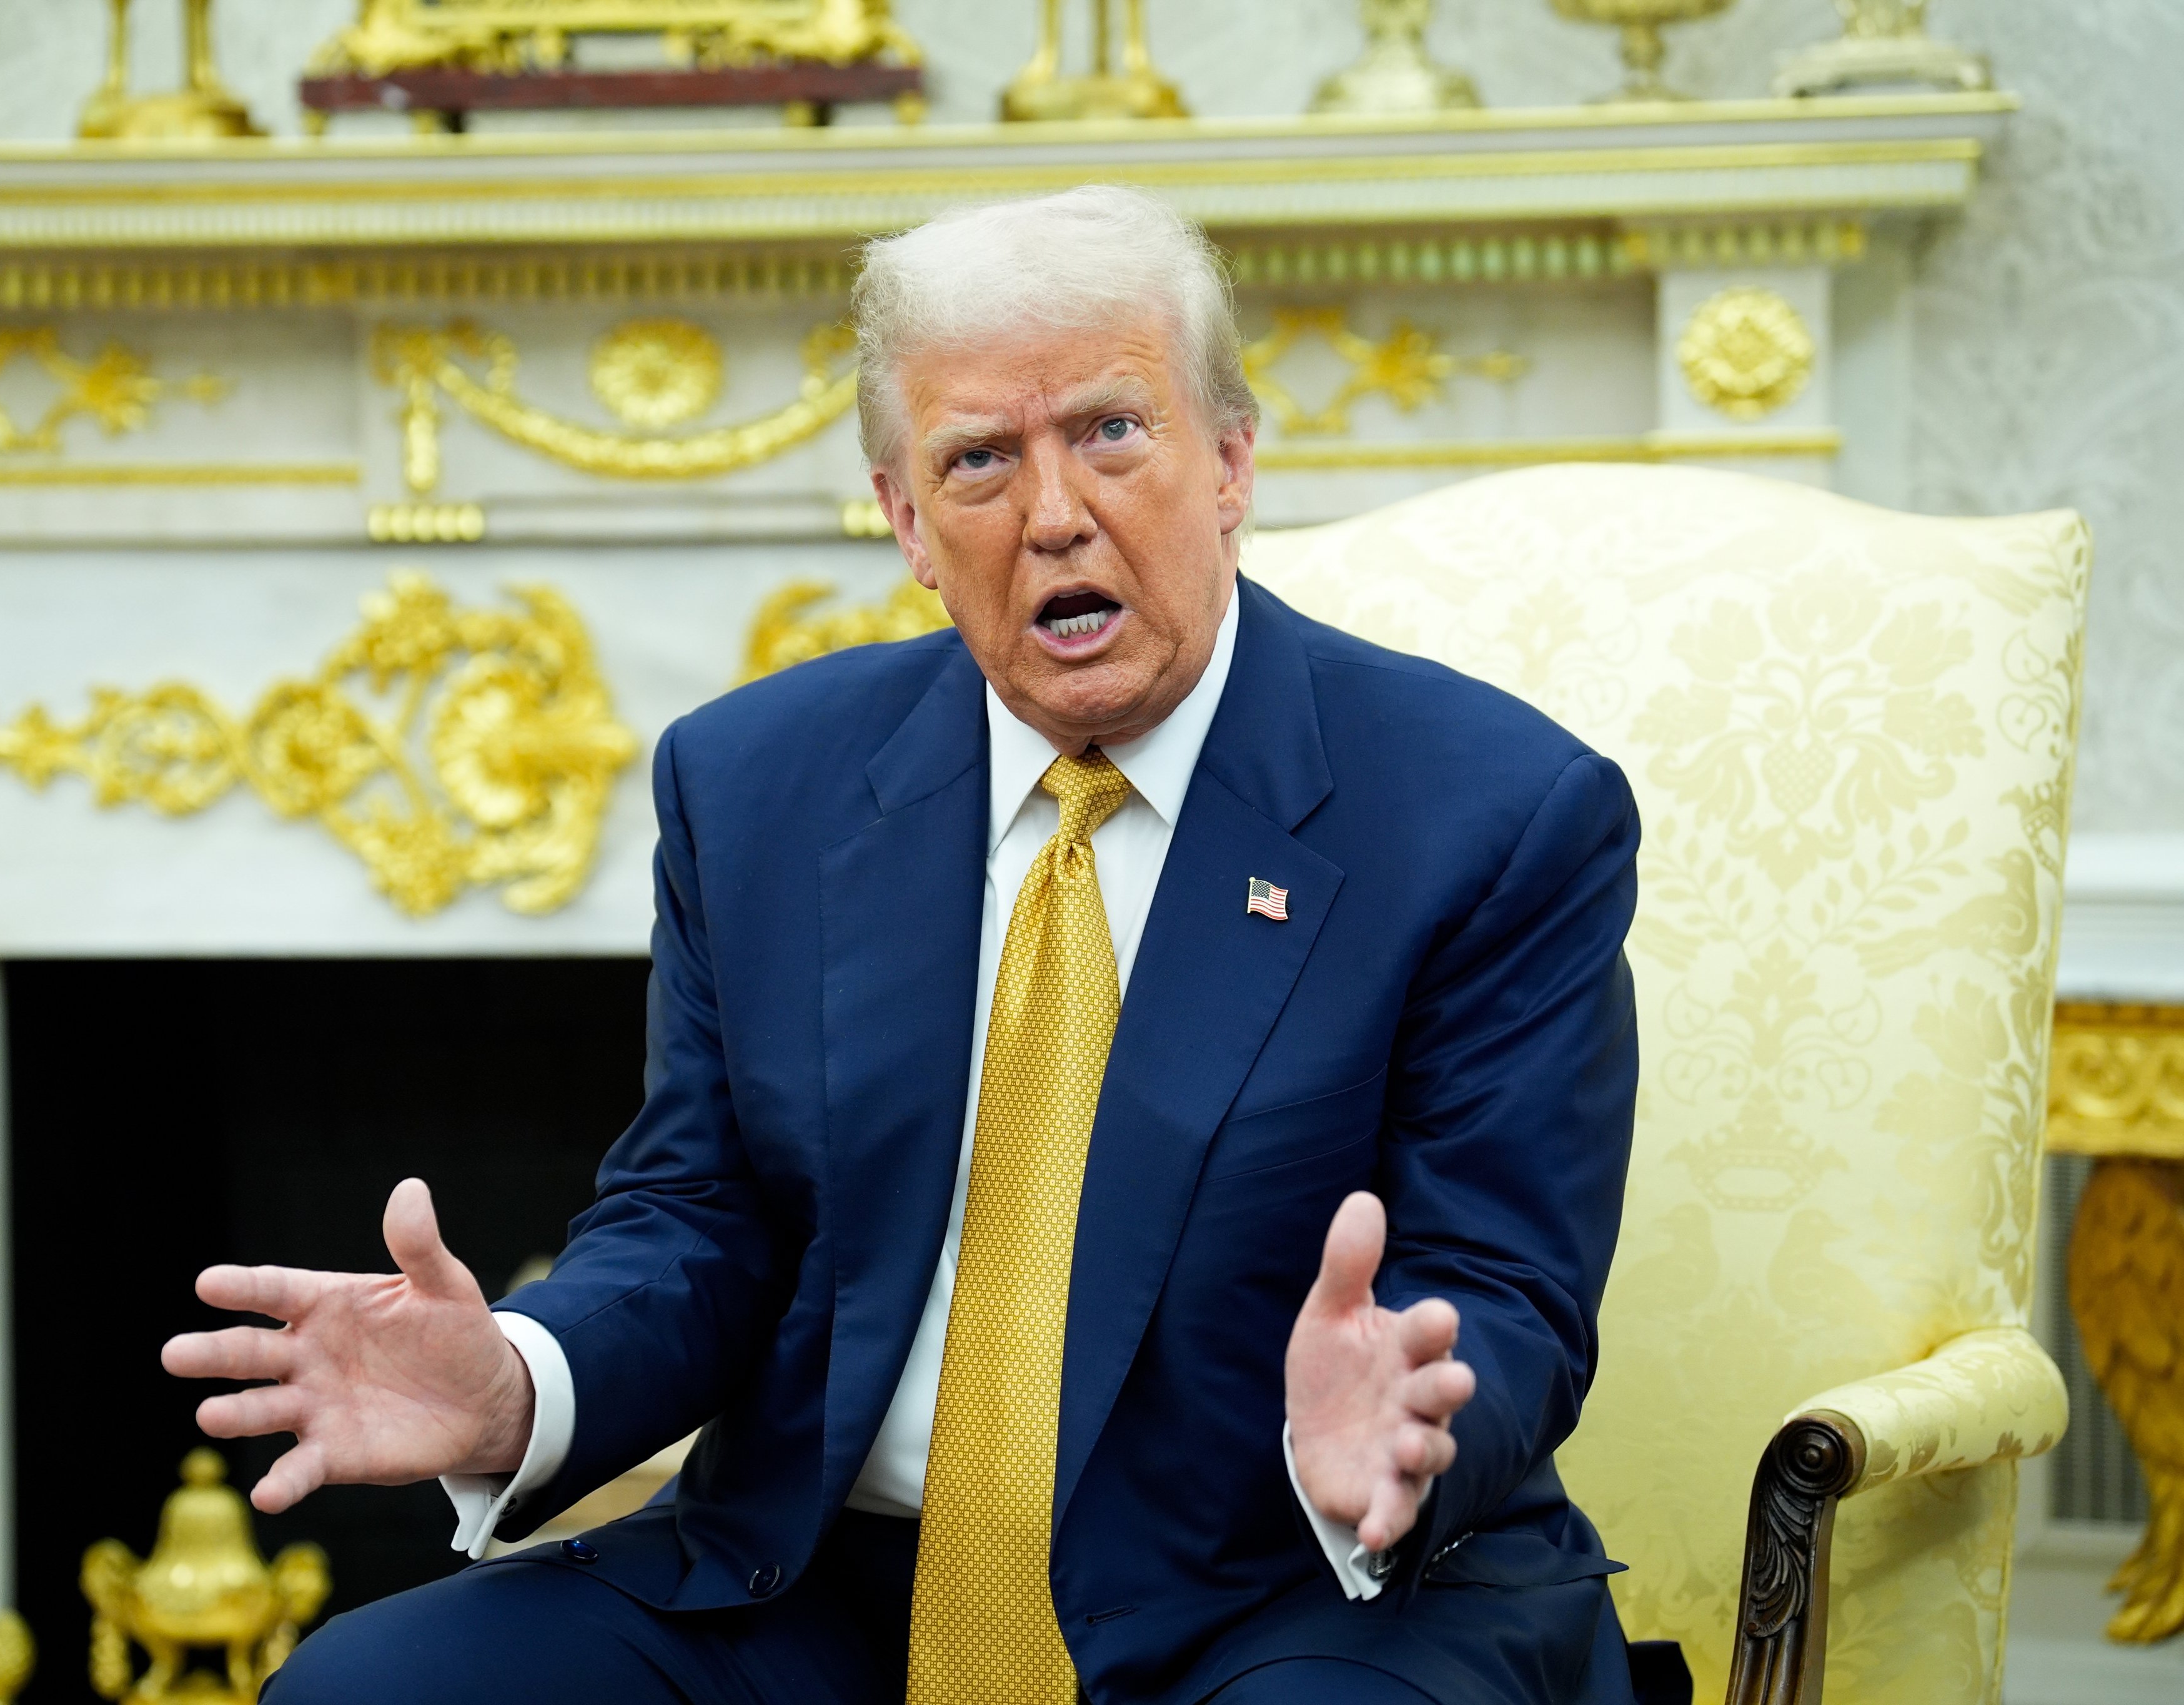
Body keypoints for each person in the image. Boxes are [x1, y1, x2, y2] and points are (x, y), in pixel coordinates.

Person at [163, 185, 1642, 1705]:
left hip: (1287, 1592)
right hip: (826, 1591)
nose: (1054, 511)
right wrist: (519, 1386)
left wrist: (1393, 1427)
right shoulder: (755, 787)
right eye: (980, 460)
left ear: (1230, 463)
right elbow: (700, 1218)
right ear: (906, 524)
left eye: (1111, 432)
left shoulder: (1488, 814)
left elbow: (1502, 1281)